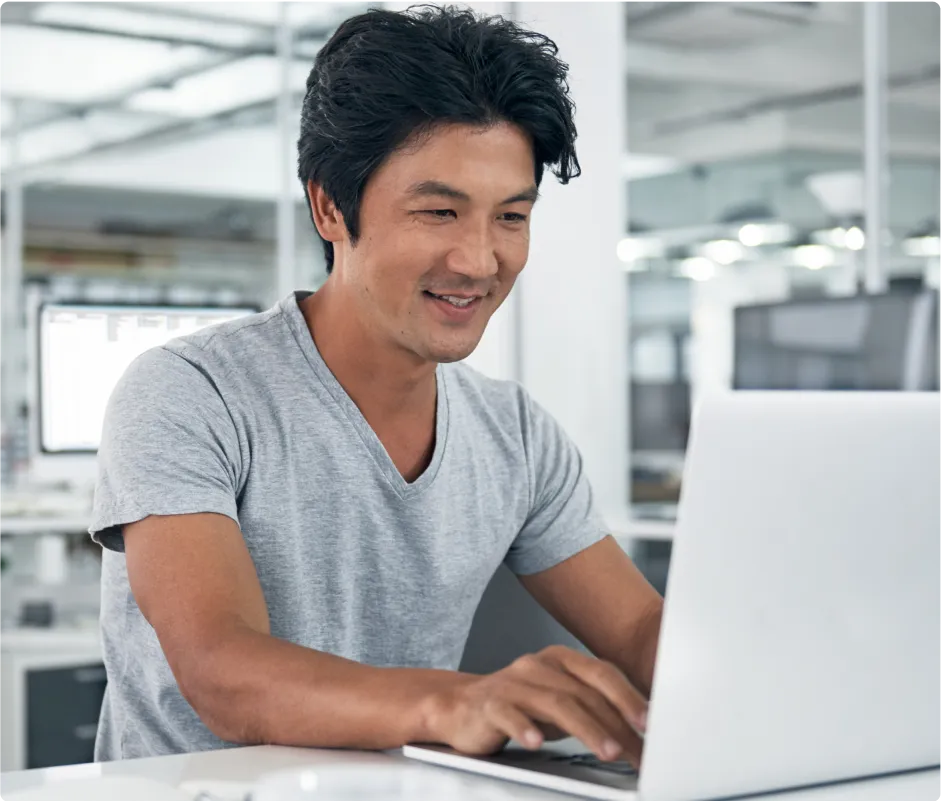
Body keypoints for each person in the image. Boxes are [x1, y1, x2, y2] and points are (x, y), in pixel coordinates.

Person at [90, 5, 663, 768]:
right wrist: (454, 699)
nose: (479, 260)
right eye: (438, 212)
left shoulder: (516, 435)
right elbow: (221, 672)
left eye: (511, 216)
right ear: (331, 205)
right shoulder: (190, 393)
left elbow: (639, 632)